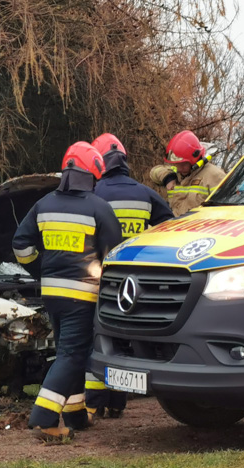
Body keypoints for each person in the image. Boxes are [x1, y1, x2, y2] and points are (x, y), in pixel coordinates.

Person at [12, 142, 123, 443]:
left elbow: (20, 245)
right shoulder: (99, 208)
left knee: (65, 352)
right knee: (73, 355)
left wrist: (42, 270)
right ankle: (44, 418)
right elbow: (115, 257)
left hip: (52, 294)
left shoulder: (44, 203)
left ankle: (75, 414)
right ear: (92, 174)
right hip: (83, 297)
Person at [84, 133, 174, 420]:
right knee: (122, 341)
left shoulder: (95, 194)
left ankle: (94, 402)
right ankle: (117, 403)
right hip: (138, 285)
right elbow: (171, 227)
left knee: (97, 340)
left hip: (101, 279)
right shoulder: (146, 193)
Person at [149, 130, 226, 215]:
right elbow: (154, 172)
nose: (179, 168)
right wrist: (168, 178)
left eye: (183, 164)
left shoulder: (215, 175)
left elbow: (223, 210)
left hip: (200, 227)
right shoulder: (176, 172)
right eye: (176, 164)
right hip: (176, 226)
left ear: (195, 159)